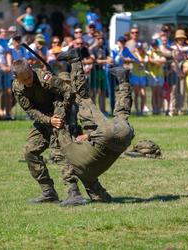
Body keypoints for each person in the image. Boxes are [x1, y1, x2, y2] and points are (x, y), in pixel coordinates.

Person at [56, 49, 134, 206]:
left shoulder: (81, 166)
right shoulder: (86, 170)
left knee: (83, 97)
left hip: (109, 135)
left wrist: (88, 136)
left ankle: (75, 60)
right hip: (124, 134)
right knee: (120, 115)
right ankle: (123, 80)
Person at [12, 58, 73, 203]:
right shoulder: (17, 87)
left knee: (59, 152)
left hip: (59, 116)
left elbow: (68, 92)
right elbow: (30, 110)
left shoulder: (45, 78)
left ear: (31, 69)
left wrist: (60, 115)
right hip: (43, 120)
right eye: (24, 80)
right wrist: (48, 120)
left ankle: (73, 192)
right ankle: (48, 192)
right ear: (17, 78)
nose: (28, 82)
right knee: (30, 152)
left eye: (29, 77)